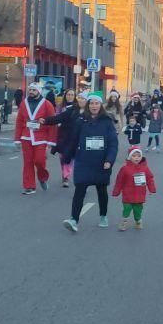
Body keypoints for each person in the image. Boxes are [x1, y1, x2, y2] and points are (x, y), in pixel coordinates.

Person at [64, 92, 118, 232]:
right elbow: (73, 140)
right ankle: (74, 220)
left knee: (101, 190)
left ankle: (103, 216)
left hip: (101, 161)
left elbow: (113, 143)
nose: (94, 106)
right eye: (92, 103)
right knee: (79, 190)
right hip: (84, 161)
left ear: (101, 105)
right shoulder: (81, 121)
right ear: (88, 105)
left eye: (97, 103)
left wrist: (109, 160)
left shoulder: (107, 121)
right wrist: (67, 156)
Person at [15, 80, 57, 194]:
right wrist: (17, 139)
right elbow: (19, 121)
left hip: (41, 137)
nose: (31, 92)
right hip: (26, 136)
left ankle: (42, 177)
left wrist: (51, 141)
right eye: (30, 90)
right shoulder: (23, 104)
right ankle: (29, 186)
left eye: (34, 90)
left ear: (39, 91)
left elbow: (52, 122)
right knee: (27, 162)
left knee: (39, 160)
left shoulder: (47, 104)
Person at [112, 145, 157, 230]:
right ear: (130, 157)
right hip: (127, 194)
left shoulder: (145, 168)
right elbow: (119, 180)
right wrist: (116, 191)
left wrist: (152, 189)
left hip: (139, 194)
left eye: (139, 156)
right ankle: (124, 222)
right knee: (126, 209)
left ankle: (138, 221)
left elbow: (149, 179)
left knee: (138, 210)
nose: (137, 158)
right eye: (134, 156)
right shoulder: (124, 169)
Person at [48, 90, 82, 188]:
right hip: (61, 134)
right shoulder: (60, 107)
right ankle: (64, 173)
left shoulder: (77, 107)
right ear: (65, 96)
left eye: (72, 95)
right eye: (68, 94)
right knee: (62, 156)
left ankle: (66, 176)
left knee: (70, 155)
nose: (70, 96)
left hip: (72, 135)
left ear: (74, 96)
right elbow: (56, 117)